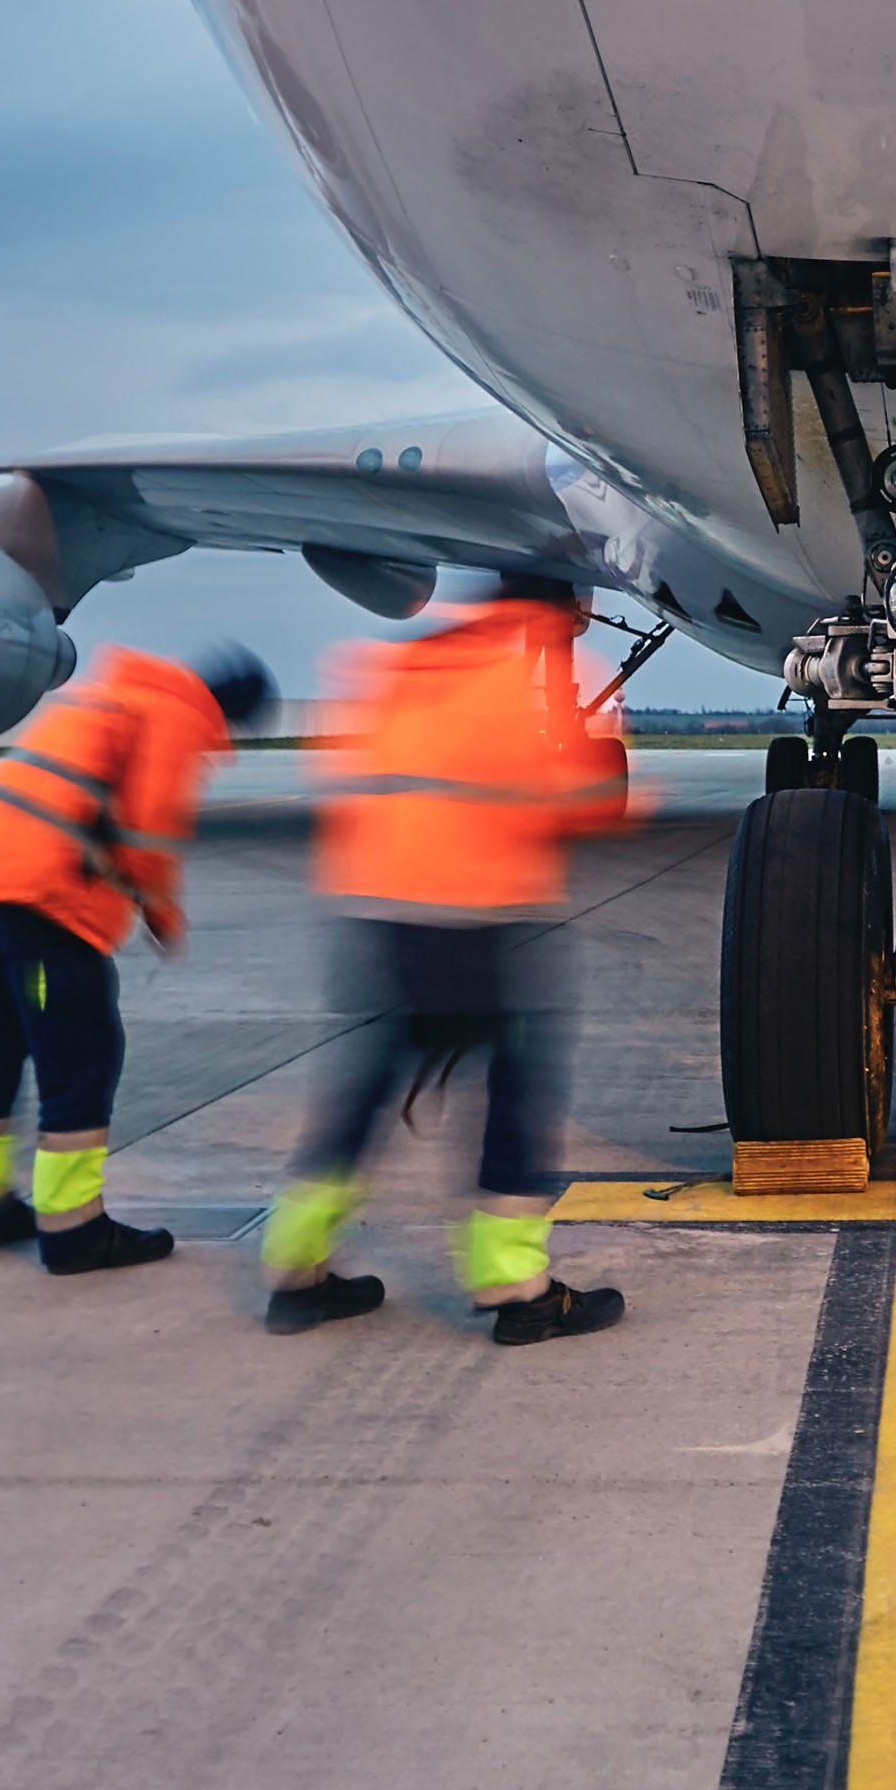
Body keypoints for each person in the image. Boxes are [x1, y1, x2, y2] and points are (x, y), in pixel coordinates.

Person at [260, 571, 633, 1343]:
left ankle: (295, 1269)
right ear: (563, 606)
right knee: (518, 1090)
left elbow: (344, 783)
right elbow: (570, 799)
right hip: (477, 921)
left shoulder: (395, 665)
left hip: (379, 918)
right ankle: (516, 1288)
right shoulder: (528, 674)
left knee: (363, 1091)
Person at [0, 642, 274, 1273]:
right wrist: (163, 916)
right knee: (82, 1056)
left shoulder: (116, 694)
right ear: (231, 711)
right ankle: (74, 1231)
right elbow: (149, 832)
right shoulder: (179, 717)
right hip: (40, 903)